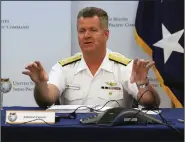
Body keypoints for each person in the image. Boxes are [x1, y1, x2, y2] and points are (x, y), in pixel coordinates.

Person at [22, 7, 160, 109]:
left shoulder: (124, 67)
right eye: (82, 31)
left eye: (93, 30)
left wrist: (142, 84)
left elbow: (150, 103)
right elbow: (46, 99)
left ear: (106, 35)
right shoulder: (64, 67)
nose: (86, 35)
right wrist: (40, 85)